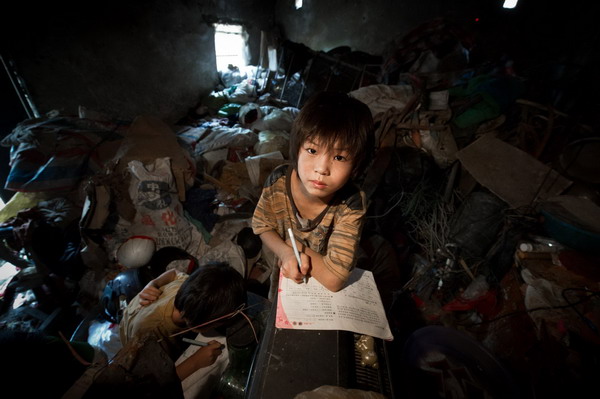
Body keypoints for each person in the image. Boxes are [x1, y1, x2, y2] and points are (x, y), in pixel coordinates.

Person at [252, 90, 374, 294]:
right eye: (312, 151)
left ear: (356, 166)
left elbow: (335, 279)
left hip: (321, 294)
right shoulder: (278, 181)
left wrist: (295, 248)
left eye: (340, 158)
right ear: (297, 147)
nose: (322, 169)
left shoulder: (351, 203)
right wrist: (285, 253)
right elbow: (261, 224)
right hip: (285, 271)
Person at [119, 261, 247, 381]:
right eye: (220, 322)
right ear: (200, 326)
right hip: (134, 341)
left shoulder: (189, 291)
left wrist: (154, 283)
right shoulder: (150, 334)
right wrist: (195, 362)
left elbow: (174, 273)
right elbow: (151, 386)